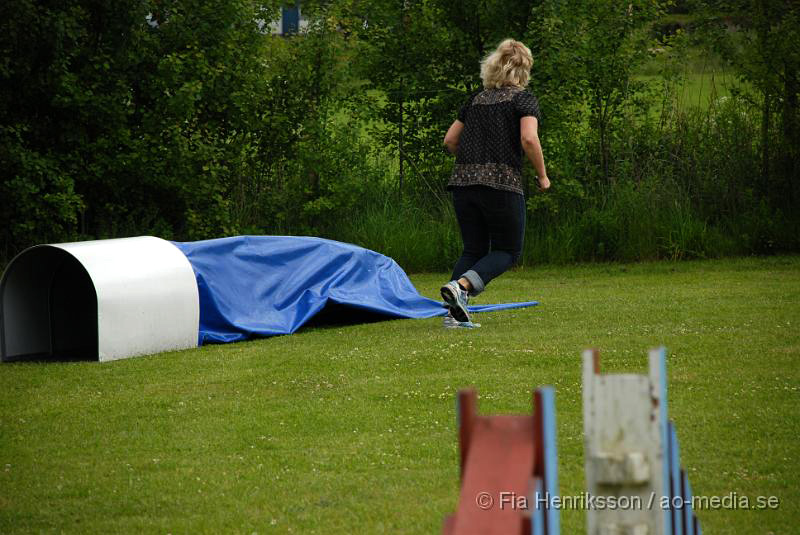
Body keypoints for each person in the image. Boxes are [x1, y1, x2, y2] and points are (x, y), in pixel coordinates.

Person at [440, 38, 550, 328]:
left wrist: (469, 163)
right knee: (508, 251)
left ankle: (453, 314)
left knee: (473, 249)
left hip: (463, 185)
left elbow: (450, 140)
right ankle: (461, 287)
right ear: (523, 70)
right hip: (501, 186)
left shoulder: (475, 100)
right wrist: (542, 175)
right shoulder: (523, 100)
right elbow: (529, 138)